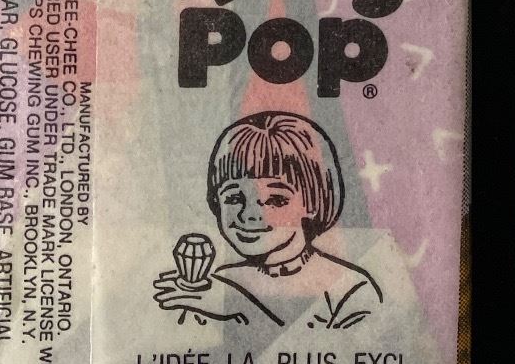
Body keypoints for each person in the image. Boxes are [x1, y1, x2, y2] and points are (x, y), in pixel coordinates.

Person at [152, 110, 382, 330]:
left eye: (275, 199)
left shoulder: (352, 287)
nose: (249, 214)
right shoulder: (221, 280)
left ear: (313, 202)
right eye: (233, 198)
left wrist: (236, 309)